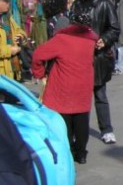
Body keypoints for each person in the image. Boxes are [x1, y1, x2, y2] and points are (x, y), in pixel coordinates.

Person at [31, 13, 98, 164]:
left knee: (63, 123)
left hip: (63, 87)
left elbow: (38, 55)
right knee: (82, 122)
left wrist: (39, 73)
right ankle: (81, 154)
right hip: (83, 86)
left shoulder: (61, 40)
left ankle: (67, 152)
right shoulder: (91, 40)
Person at [69, 0, 120, 145]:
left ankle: (106, 130)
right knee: (79, 97)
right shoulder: (76, 5)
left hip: (98, 58)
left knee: (100, 95)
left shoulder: (104, 4)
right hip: (79, 58)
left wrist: (104, 40)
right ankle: (78, 131)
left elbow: (114, 28)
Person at [0, 0, 27, 80]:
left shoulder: (7, 17)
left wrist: (21, 36)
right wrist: (9, 50)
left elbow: (19, 30)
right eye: (6, 1)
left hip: (12, 68)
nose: (9, 4)